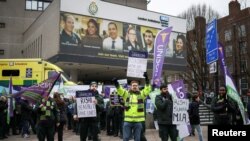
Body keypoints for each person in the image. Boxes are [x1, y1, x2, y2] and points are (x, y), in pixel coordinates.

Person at [113, 72, 151, 141]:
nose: (135, 86)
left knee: (137, 139)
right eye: (133, 85)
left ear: (138, 86)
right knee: (126, 138)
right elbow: (120, 90)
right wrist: (116, 84)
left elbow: (147, 90)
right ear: (131, 86)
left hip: (138, 121)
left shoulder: (141, 94)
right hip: (128, 121)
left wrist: (147, 80)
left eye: (136, 85)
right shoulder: (126, 94)